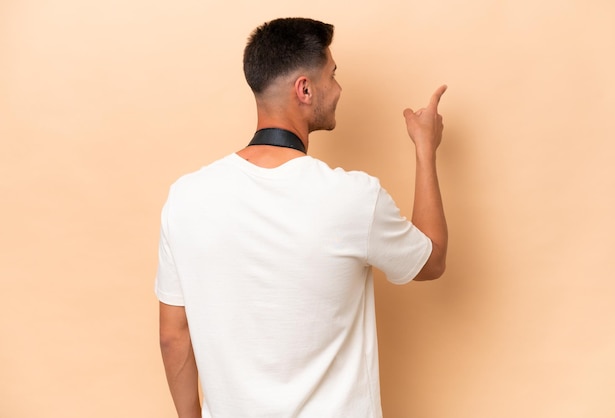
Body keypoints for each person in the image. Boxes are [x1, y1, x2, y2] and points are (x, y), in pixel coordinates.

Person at [155, 17, 447, 418]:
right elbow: (431, 260)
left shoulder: (185, 198)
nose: (340, 89)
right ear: (305, 89)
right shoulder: (353, 198)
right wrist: (425, 148)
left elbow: (174, 337)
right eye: (333, 75)